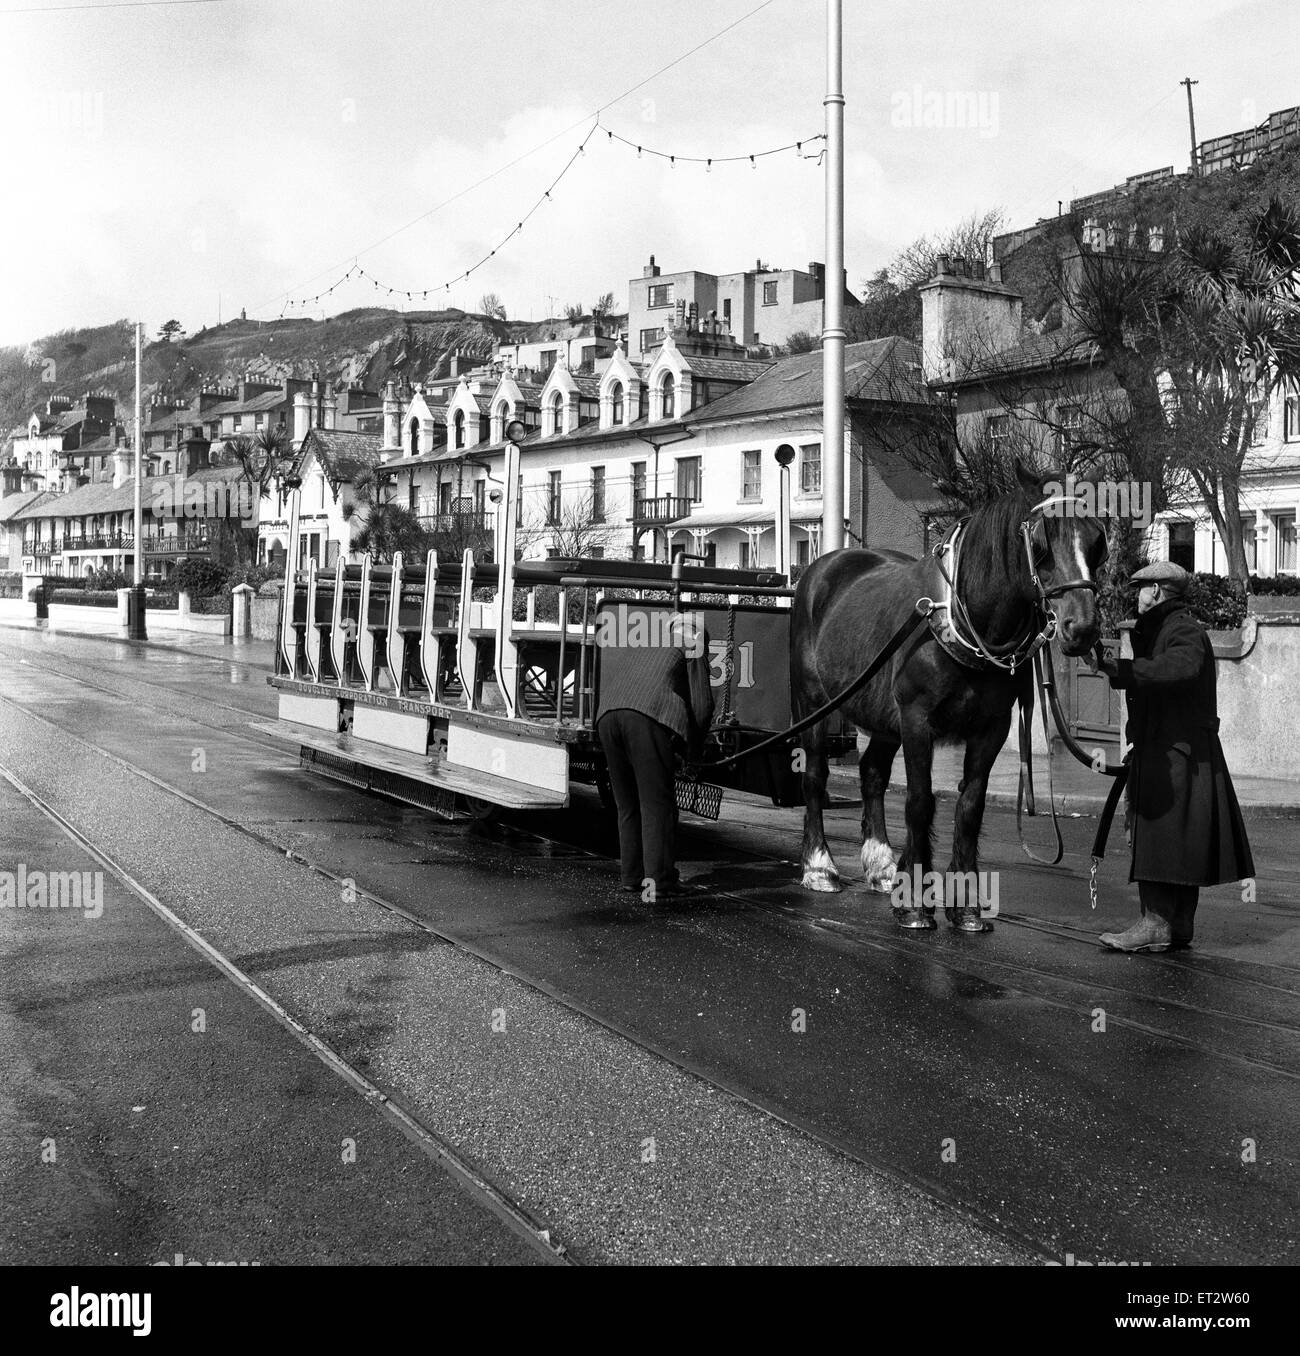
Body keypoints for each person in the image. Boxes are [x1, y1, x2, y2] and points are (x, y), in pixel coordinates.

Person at [1093, 561, 1254, 952]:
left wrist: (1122, 668)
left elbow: (1177, 669)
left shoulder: (1181, 630)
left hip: (1176, 751)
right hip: (1175, 749)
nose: (1137, 596)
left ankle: (1156, 925)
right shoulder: (1166, 630)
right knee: (1181, 843)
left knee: (1162, 839)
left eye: (1141, 589)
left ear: (1158, 591)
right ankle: (1176, 926)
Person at [596, 610, 714, 899]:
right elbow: (702, 706)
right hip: (645, 718)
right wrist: (695, 753)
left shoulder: (648, 642)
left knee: (628, 805)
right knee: (657, 805)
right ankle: (659, 882)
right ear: (697, 634)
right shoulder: (693, 644)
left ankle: (632, 877)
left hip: (607, 717)